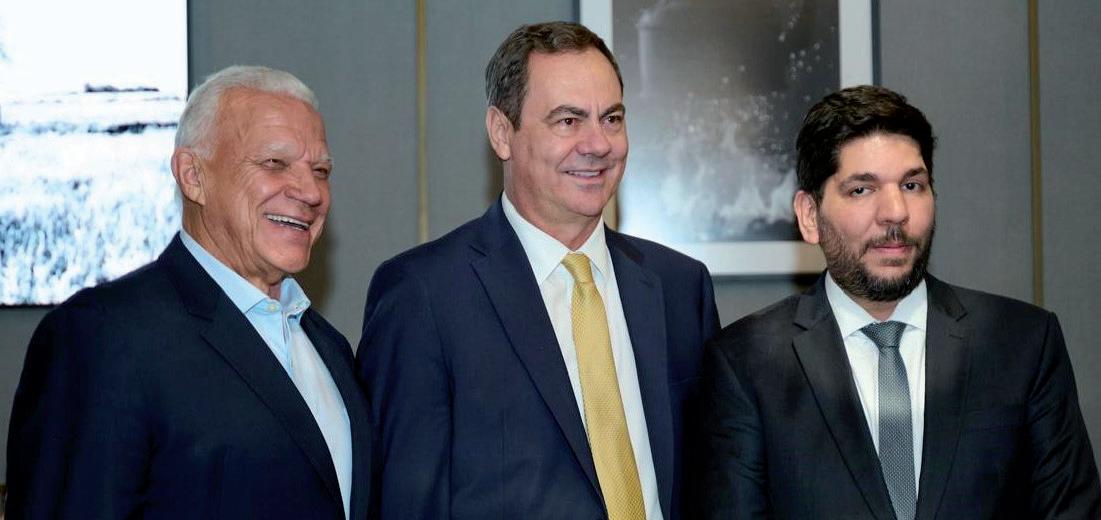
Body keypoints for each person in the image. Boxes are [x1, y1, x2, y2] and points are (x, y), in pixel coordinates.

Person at [357, 21, 719, 519]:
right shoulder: (424, 296)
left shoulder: (680, 287)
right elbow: (408, 504)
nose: (598, 144)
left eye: (612, 118)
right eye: (568, 121)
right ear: (502, 133)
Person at [699, 85, 1101, 519]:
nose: (895, 211)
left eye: (912, 185)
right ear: (810, 216)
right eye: (861, 189)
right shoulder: (746, 362)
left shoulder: (1022, 343)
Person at [6, 66, 373, 519]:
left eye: (320, 170)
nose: (311, 192)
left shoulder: (329, 348)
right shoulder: (103, 337)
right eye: (274, 164)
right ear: (193, 176)